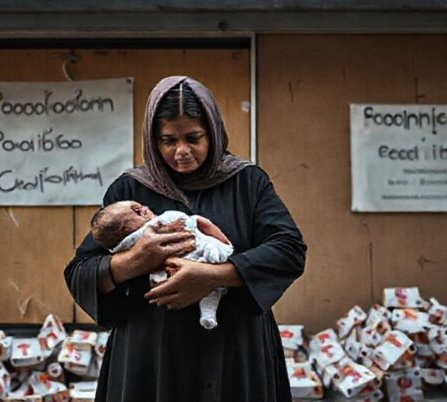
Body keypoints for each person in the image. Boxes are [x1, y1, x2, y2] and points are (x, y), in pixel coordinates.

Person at [65, 76, 306, 402]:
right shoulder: (130, 191)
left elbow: (288, 250)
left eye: (194, 138)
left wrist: (215, 276)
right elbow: (81, 271)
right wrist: (136, 260)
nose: (181, 152)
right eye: (168, 140)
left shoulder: (247, 183)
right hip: (150, 361)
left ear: (214, 132)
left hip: (234, 354)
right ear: (153, 139)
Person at [89, 200, 234, 329]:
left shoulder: (249, 182)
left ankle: (208, 311)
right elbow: (86, 268)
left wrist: (217, 275)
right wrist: (131, 260)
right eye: (136, 211)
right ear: (124, 229)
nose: (144, 208)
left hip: (233, 324)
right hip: (150, 328)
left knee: (211, 287)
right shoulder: (127, 190)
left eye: (140, 206)